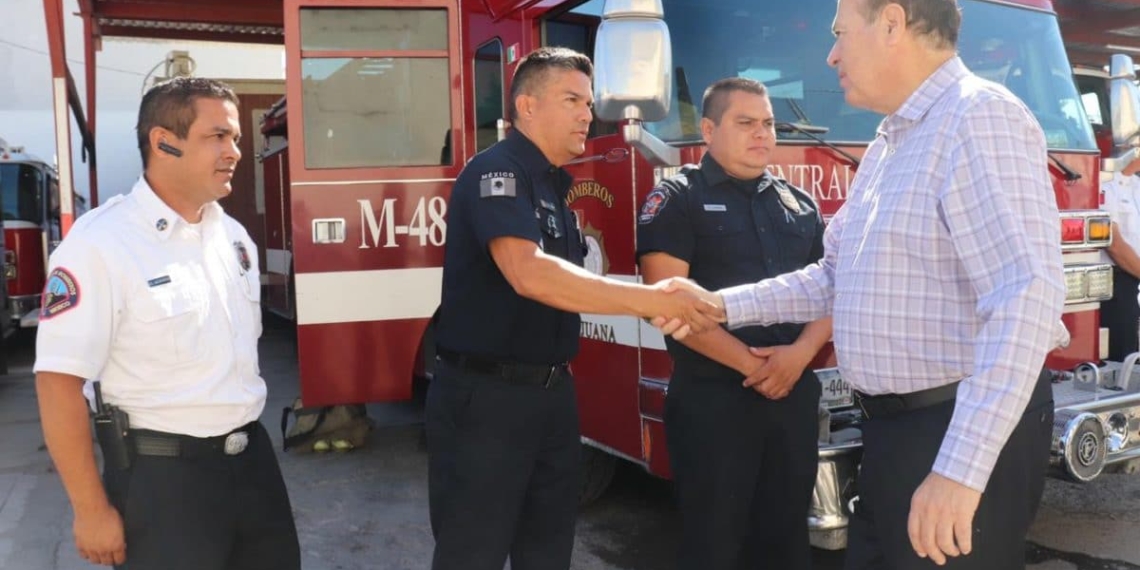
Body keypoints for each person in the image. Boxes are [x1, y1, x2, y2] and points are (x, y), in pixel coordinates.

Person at [659, 0, 1067, 568]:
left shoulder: (979, 118)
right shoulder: (889, 144)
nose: (830, 55)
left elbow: (1025, 296)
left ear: (893, 24)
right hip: (895, 435)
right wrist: (717, 304)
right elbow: (835, 275)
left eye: (839, 33)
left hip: (952, 429)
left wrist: (958, 469)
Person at [428, 46, 723, 570]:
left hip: (552, 398)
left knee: (548, 549)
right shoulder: (496, 173)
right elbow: (528, 272)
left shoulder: (553, 187)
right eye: (572, 99)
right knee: (473, 551)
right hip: (487, 403)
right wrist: (648, 300)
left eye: (589, 102)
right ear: (526, 107)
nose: (588, 114)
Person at [34, 77, 300, 570]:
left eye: (236, 138)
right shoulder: (101, 244)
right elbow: (57, 383)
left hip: (252, 466)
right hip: (163, 482)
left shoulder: (233, 236)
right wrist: (90, 510)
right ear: (163, 142)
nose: (234, 152)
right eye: (217, 136)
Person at [636, 77, 831, 570]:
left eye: (768, 123)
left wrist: (800, 356)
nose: (762, 134)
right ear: (708, 129)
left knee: (786, 541)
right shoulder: (676, 199)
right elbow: (667, 302)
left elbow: (835, 290)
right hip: (713, 402)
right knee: (715, 544)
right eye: (746, 123)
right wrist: (755, 366)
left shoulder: (799, 204)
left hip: (792, 393)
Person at [1100, 156, 1140, 360]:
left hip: (1135, 281)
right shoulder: (1103, 184)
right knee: (1121, 360)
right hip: (1116, 284)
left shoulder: (1137, 185)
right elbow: (1114, 245)